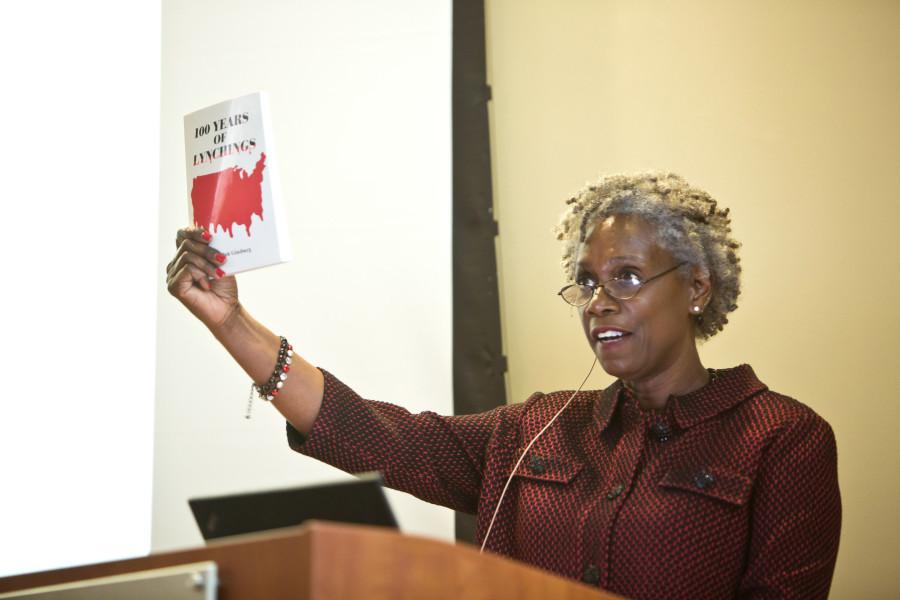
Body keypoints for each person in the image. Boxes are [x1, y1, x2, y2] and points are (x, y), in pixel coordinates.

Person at [167, 172, 841, 599]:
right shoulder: (536, 430)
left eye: (627, 277)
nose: (598, 302)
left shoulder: (781, 440)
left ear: (697, 287)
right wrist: (232, 325)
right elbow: (379, 436)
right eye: (587, 283)